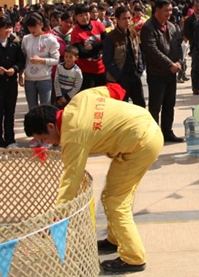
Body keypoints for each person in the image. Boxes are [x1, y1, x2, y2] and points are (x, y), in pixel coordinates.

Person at [24, 83, 162, 273]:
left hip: (141, 144)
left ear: (50, 126)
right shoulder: (80, 99)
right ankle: (114, 239)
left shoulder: (73, 136)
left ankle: (133, 258)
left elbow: (70, 180)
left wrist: (57, 219)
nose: (48, 143)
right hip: (145, 128)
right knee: (114, 195)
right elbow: (116, 89)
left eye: (45, 139)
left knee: (116, 202)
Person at [141, 0, 185, 143]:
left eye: (170, 10)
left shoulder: (172, 26)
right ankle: (153, 135)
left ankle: (167, 132)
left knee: (169, 105)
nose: (169, 13)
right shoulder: (148, 28)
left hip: (171, 73)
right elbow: (152, 51)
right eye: (166, 10)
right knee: (155, 106)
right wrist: (169, 64)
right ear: (157, 10)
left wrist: (179, 61)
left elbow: (179, 46)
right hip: (157, 73)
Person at [0, 16, 26, 149]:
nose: (8, 30)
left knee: (10, 112)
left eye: (9, 27)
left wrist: (15, 69)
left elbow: (21, 61)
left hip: (11, 82)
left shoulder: (14, 43)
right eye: (5, 28)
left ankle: (10, 140)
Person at [104, 7, 146, 107]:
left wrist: (140, 69)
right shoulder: (111, 37)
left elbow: (139, 52)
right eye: (124, 18)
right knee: (121, 108)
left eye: (128, 18)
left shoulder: (133, 32)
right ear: (117, 20)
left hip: (134, 75)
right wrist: (119, 76)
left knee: (140, 106)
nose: (127, 21)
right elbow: (107, 60)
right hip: (118, 78)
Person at [70, 4, 108, 89]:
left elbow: (107, 41)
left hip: (102, 68)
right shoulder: (75, 33)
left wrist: (94, 46)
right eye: (81, 15)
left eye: (86, 14)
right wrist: (100, 49)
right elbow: (82, 53)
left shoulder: (98, 25)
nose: (84, 17)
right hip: (86, 71)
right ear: (76, 17)